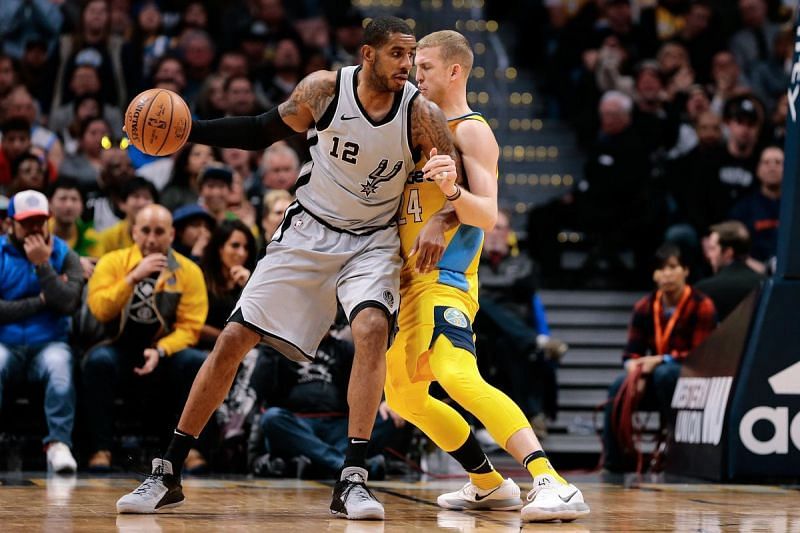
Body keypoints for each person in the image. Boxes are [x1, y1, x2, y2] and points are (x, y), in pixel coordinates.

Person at [117, 16, 460, 520]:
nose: (407, 65)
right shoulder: (324, 91)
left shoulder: (420, 114)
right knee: (233, 340)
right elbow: (260, 131)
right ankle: (167, 471)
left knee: (370, 328)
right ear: (367, 55)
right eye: (397, 55)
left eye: (411, 56)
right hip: (308, 231)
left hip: (372, 241)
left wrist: (444, 217)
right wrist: (193, 131)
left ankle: (353, 479)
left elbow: (460, 182)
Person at [381, 30, 588, 522]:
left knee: (456, 374)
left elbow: (487, 215)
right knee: (404, 395)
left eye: (425, 66)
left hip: (447, 278)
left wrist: (452, 194)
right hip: (407, 282)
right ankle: (487, 482)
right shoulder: (414, 126)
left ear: (455, 71)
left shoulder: (471, 130)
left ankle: (550, 479)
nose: (416, 74)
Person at [83, 204, 208, 472]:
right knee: (97, 362)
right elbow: (100, 310)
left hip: (163, 351)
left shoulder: (188, 271)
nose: (152, 239)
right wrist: (133, 278)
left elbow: (191, 328)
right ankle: (100, 449)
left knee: (196, 362)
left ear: (172, 235)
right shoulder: (112, 262)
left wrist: (161, 350)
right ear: (134, 233)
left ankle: (189, 450)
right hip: (119, 346)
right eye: (146, 231)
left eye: (159, 232)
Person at [602, 243, 716, 472]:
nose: (667, 274)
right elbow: (631, 352)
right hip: (653, 376)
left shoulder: (701, 305)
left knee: (665, 373)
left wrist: (661, 360)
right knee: (617, 388)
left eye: (673, 267)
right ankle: (614, 462)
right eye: (661, 269)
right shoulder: (644, 306)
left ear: (686, 270)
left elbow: (700, 354)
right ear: (654, 275)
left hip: (689, 379)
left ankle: (675, 451)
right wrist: (635, 368)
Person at [0, 190, 83, 473]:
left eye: (39, 221)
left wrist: (42, 265)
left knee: (60, 367)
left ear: (48, 220)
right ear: (10, 223)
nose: (34, 229)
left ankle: (59, 444)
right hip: (5, 343)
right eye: (27, 222)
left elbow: (69, 304)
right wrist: (42, 301)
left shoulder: (64, 255)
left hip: (49, 342)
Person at [696, 221, 766, 321]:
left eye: (712, 249)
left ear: (728, 253)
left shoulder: (702, 290)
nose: (708, 255)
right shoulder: (765, 284)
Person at [47, 177, 99, 279]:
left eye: (74, 199)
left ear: (82, 205)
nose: (69, 205)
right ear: (49, 203)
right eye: (63, 199)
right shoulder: (40, 233)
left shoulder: (92, 238)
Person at [92, 177, 157, 256]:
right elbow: (99, 266)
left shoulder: (161, 234)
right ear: (122, 204)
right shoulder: (108, 237)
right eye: (136, 197)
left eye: (147, 198)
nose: (142, 203)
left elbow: (173, 266)